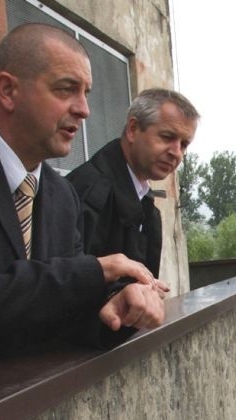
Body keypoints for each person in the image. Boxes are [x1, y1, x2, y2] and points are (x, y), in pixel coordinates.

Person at [0, 23, 168, 384]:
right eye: (66, 89)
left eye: (86, 93)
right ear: (8, 91)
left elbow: (60, 314)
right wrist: (91, 272)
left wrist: (118, 311)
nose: (84, 110)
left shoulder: (62, 195)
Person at [67, 88, 199, 278]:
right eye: (167, 137)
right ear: (133, 129)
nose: (176, 152)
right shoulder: (89, 192)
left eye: (184, 144)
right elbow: (70, 283)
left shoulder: (143, 197)